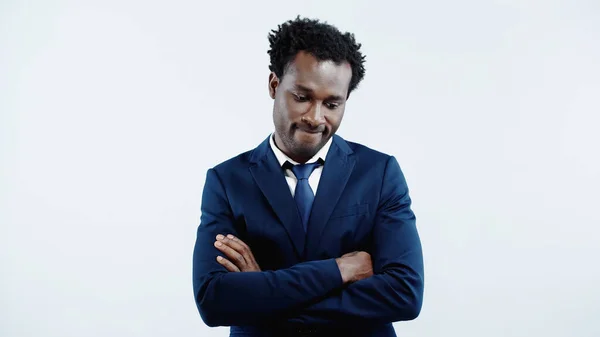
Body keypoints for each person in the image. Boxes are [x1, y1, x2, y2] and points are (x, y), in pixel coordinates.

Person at [192, 16, 424, 337]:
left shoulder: (379, 172)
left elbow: (404, 294)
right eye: (302, 97)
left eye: (332, 104)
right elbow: (214, 300)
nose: (316, 118)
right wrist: (339, 270)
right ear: (275, 85)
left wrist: (264, 295)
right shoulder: (227, 180)